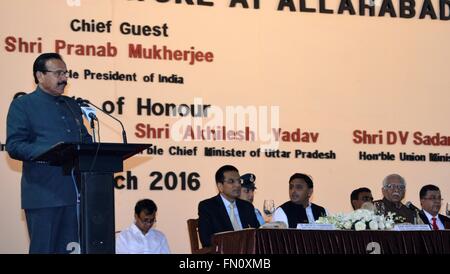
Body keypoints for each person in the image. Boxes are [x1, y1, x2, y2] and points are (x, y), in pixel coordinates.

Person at [6, 53, 92, 253]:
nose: (64, 78)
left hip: (75, 196)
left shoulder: (72, 105)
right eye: (58, 73)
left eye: (65, 73)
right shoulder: (23, 105)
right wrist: (50, 152)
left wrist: (93, 149)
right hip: (43, 194)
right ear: (40, 75)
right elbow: (15, 145)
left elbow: (85, 140)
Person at [198, 165, 259, 247]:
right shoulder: (208, 207)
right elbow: (206, 241)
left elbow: (258, 236)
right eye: (231, 181)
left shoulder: (247, 207)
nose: (237, 185)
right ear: (220, 186)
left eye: (238, 181)